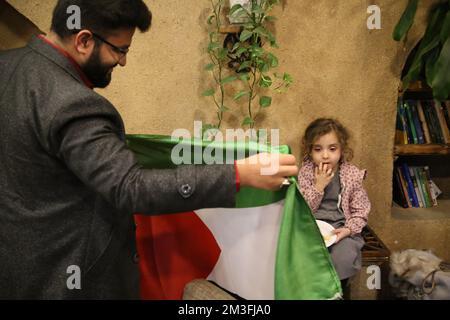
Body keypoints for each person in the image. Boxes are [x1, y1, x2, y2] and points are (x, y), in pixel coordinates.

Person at [0, 0, 298, 299]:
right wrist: (237, 174)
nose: (123, 62)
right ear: (84, 40)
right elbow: (131, 187)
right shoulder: (74, 105)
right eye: (120, 49)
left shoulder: (7, 65)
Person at [297, 118, 371, 291]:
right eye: (318, 149)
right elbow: (302, 208)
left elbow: (361, 209)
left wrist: (348, 230)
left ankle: (338, 291)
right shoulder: (307, 172)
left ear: (342, 149)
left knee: (343, 257)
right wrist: (318, 186)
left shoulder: (351, 174)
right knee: (305, 258)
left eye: (332, 149)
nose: (325, 155)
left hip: (341, 228)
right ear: (309, 150)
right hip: (310, 227)